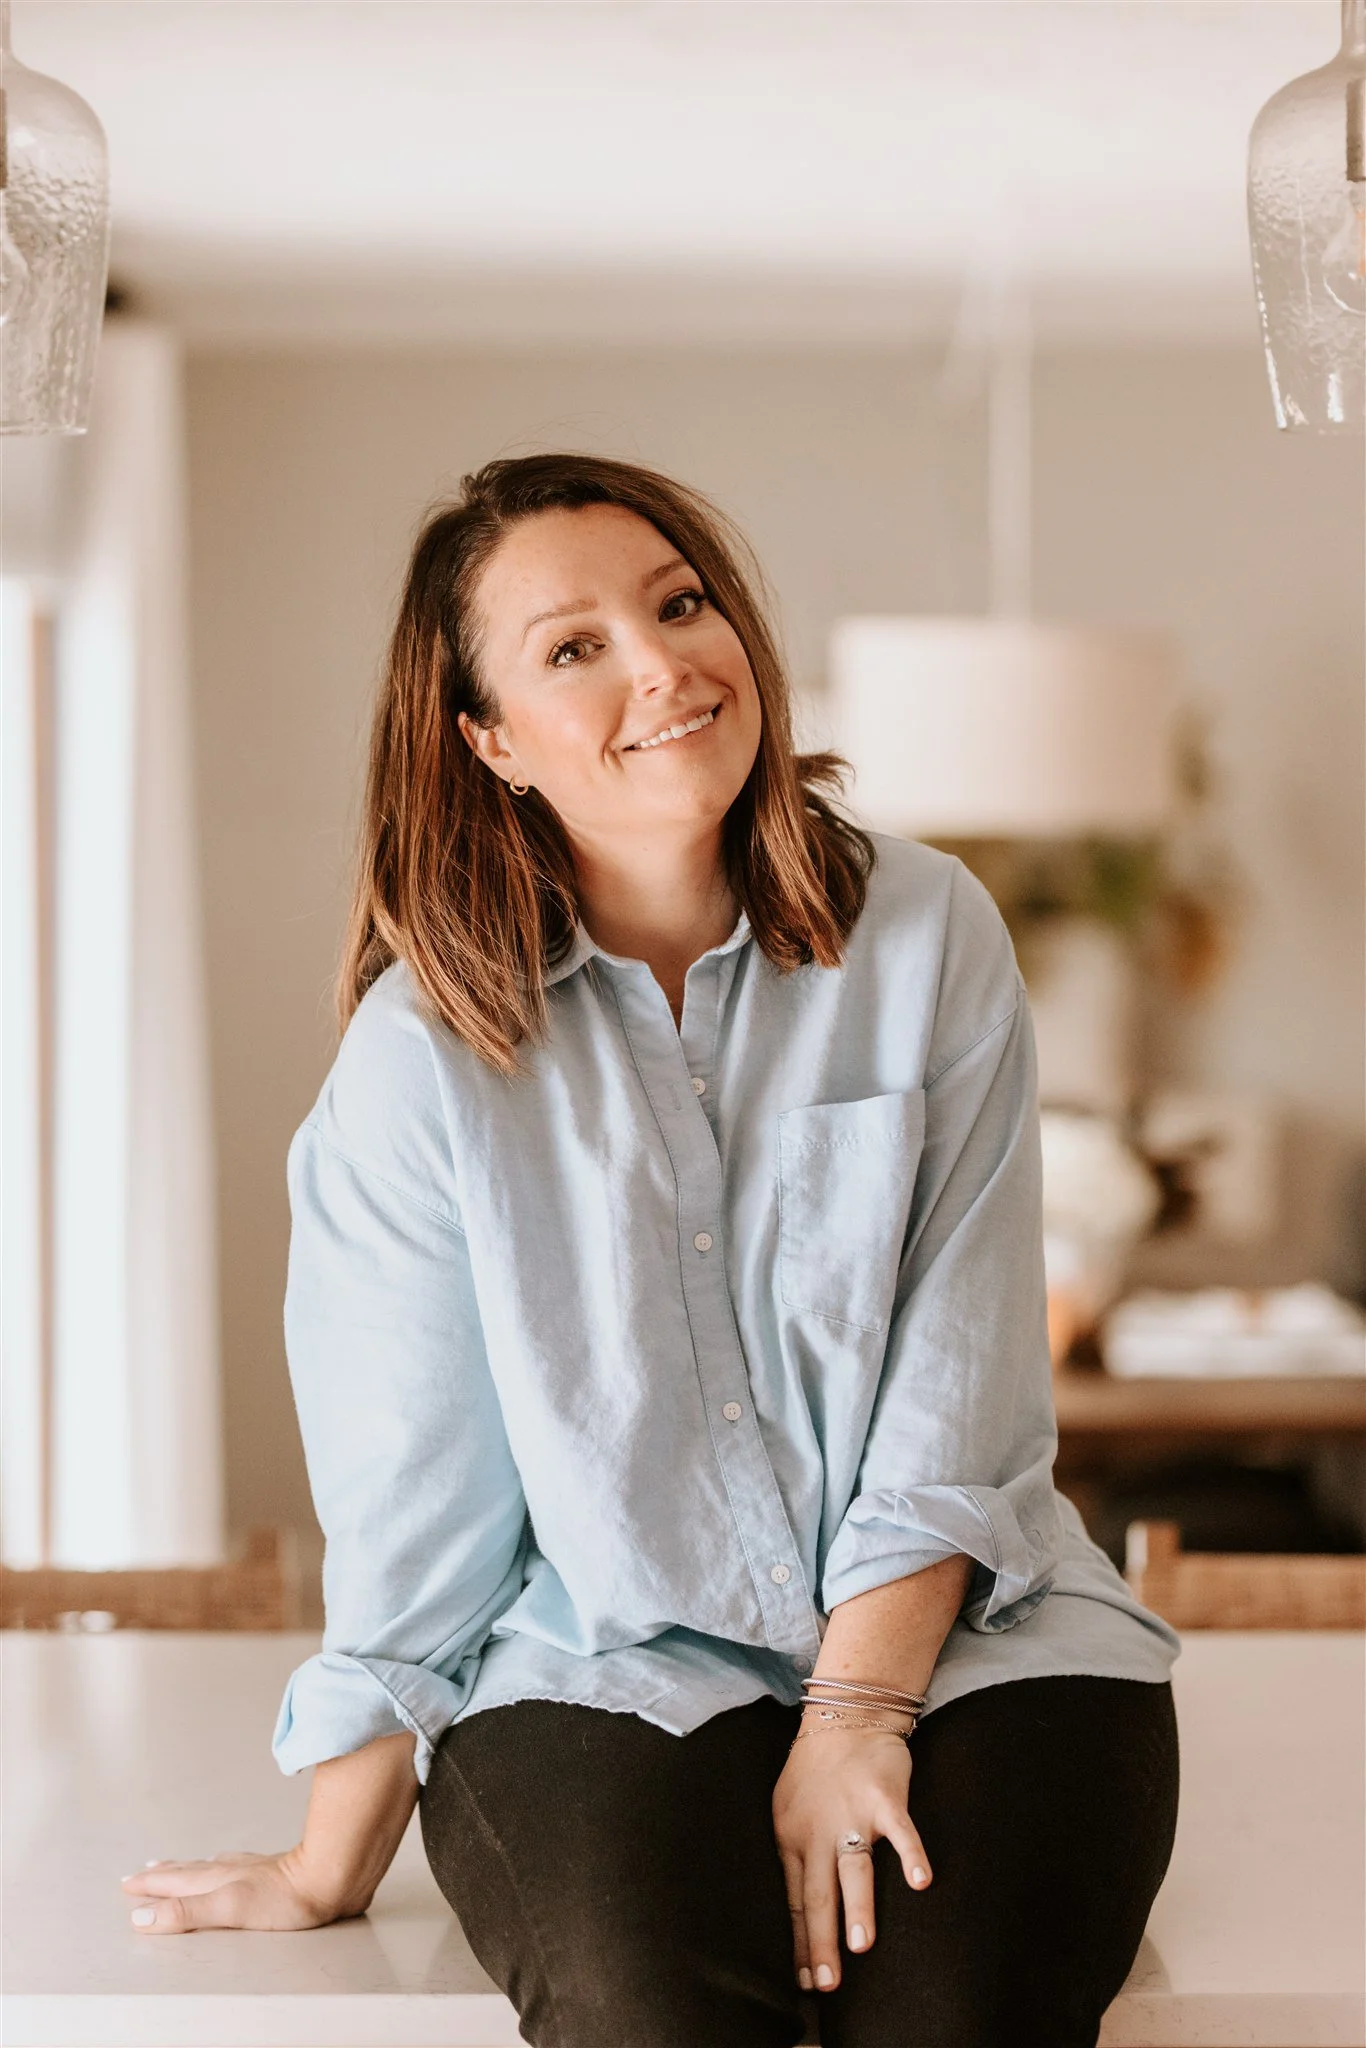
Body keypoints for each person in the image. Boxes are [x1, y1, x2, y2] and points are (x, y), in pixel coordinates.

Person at [122, 453, 1180, 2046]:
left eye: (678, 604)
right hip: (602, 1665)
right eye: (573, 648)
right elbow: (415, 1494)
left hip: (973, 1645)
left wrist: (854, 1713)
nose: (660, 664)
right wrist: (330, 1858)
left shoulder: (927, 933)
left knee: (958, 2021)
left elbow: (957, 1383)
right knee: (655, 2021)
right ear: (487, 740)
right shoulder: (422, 1058)